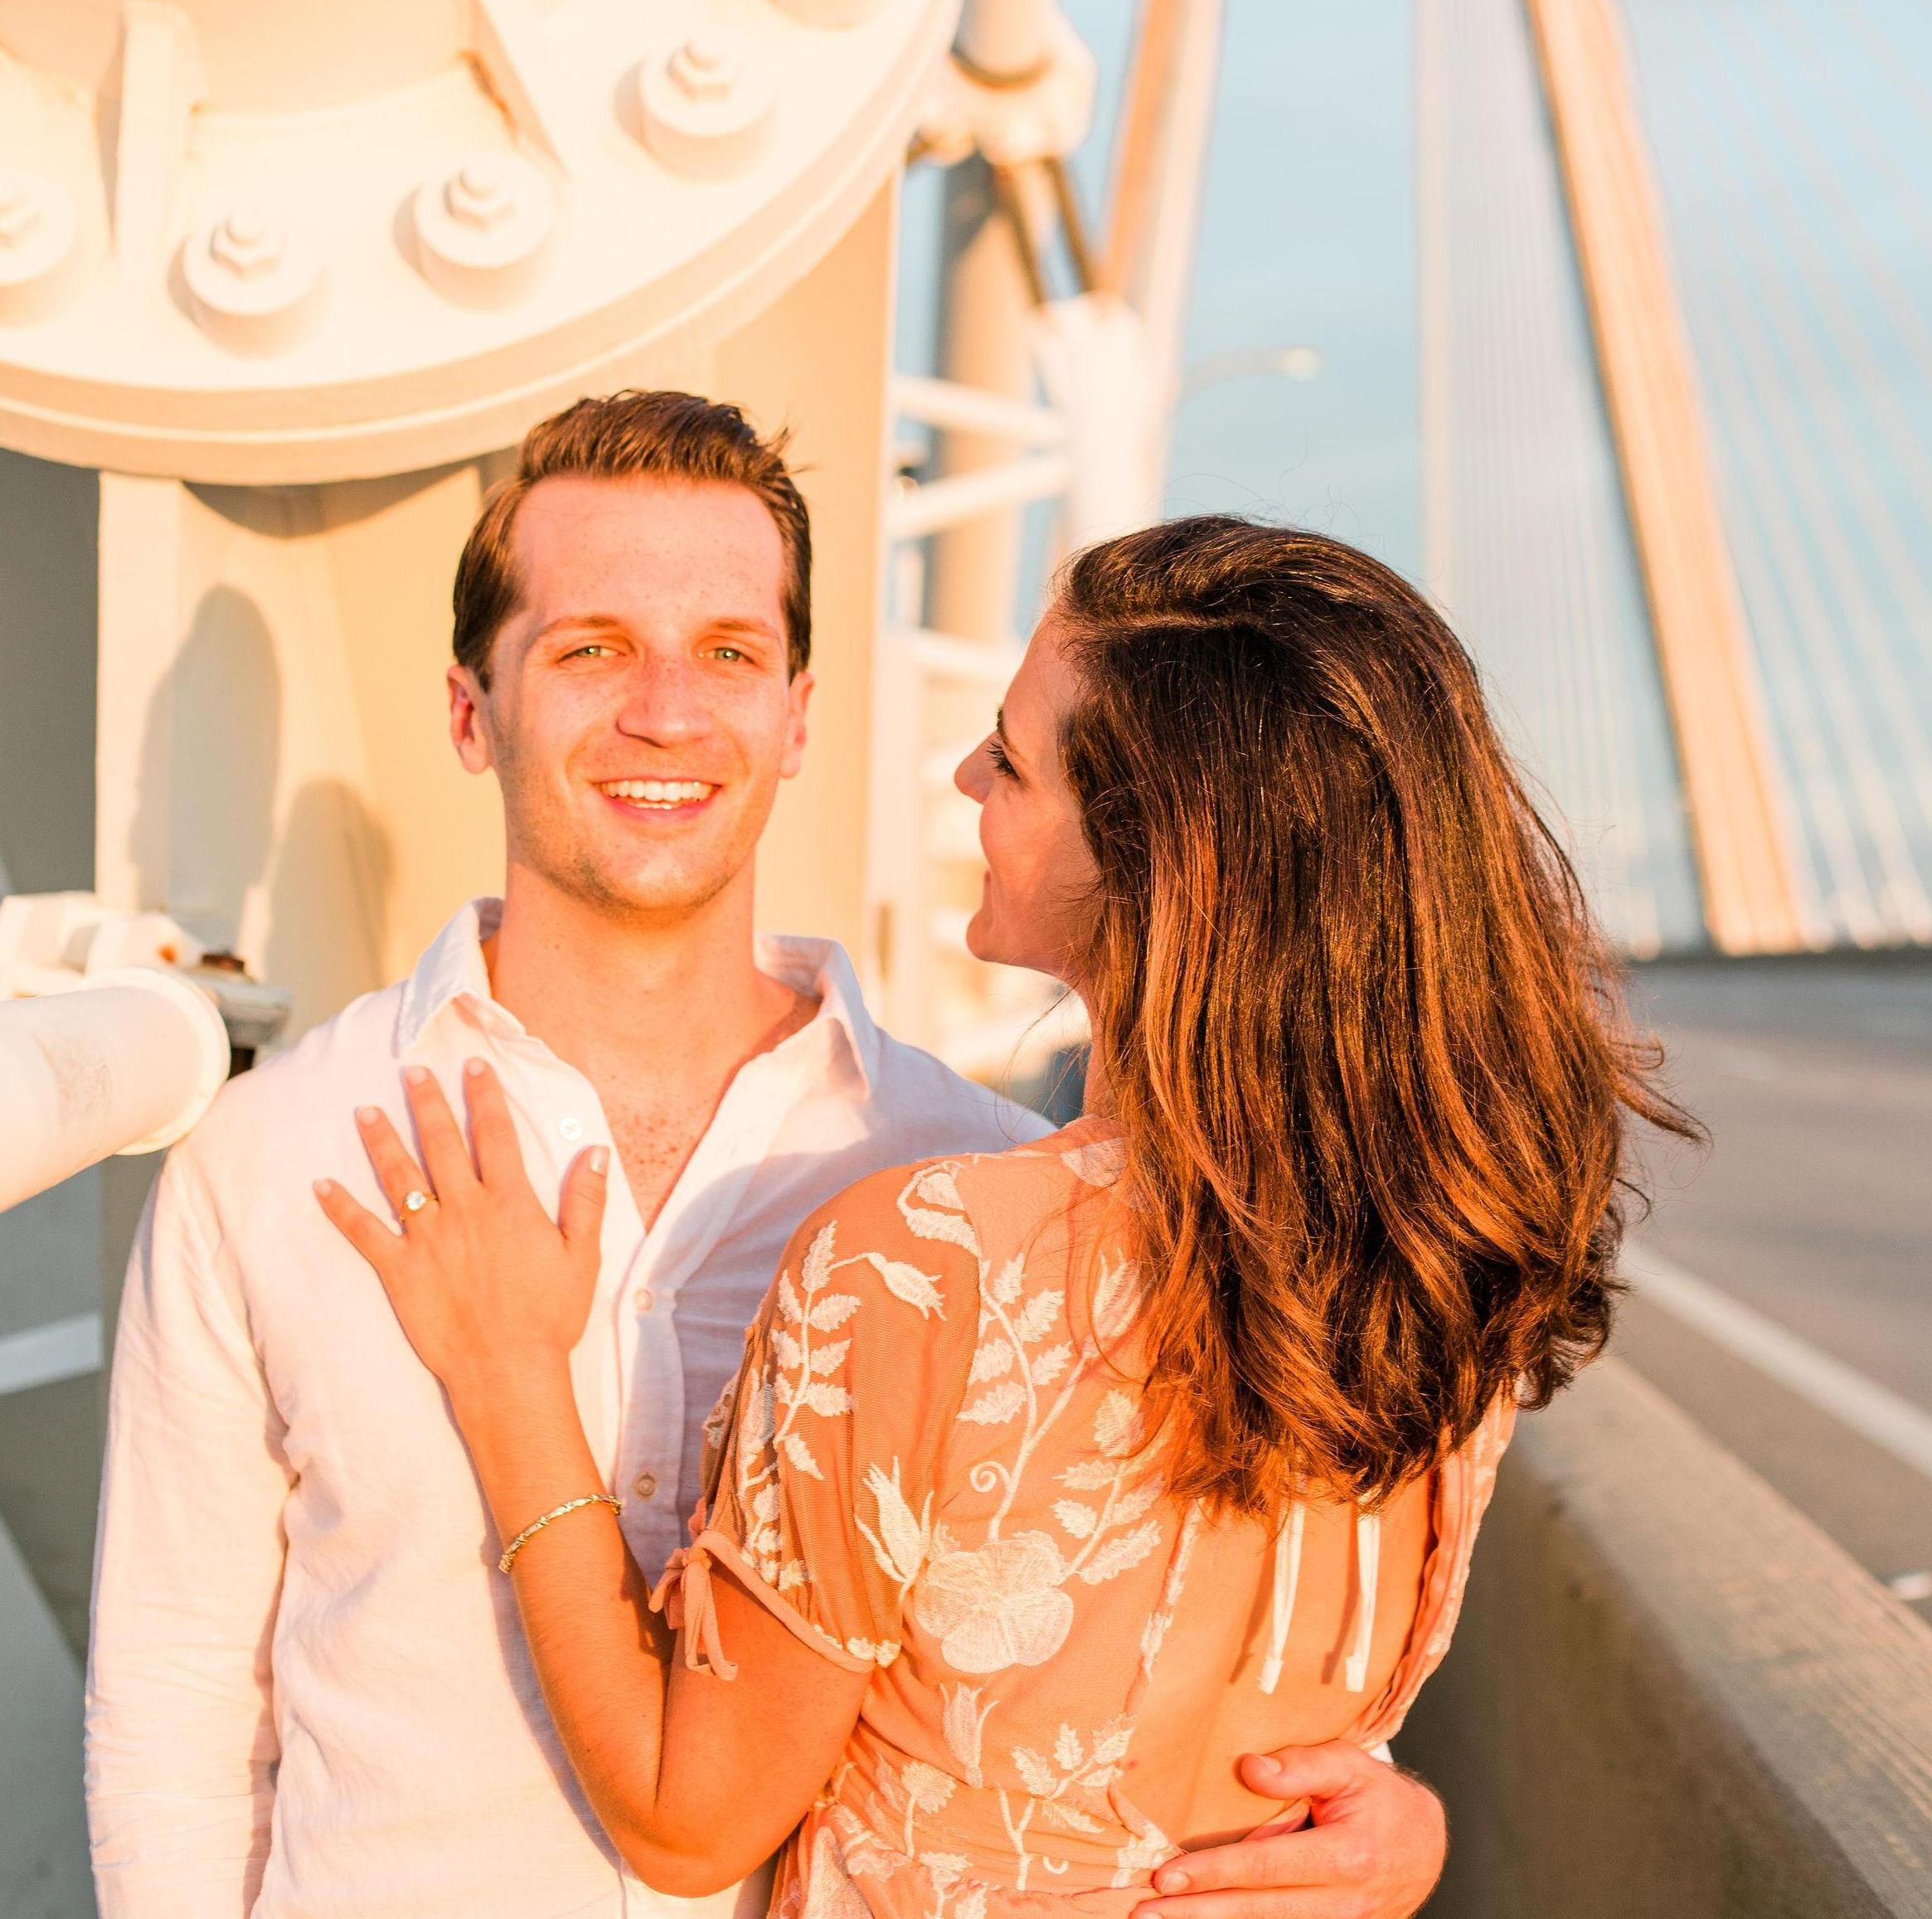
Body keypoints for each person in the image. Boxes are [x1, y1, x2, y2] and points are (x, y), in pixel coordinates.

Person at [85, 397, 1450, 1919]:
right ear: (474, 710)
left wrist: (1377, 1809)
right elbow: (172, 1708)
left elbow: (1174, 1645)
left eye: (729, 652)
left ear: (798, 712)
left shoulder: (977, 1185)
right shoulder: (270, 1160)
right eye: (591, 647)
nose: (666, 711)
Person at [317, 514, 1693, 1917]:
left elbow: (687, 1825)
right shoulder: (1443, 1271)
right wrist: (1402, 1838)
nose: (966, 773)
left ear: (1163, 862)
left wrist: (508, 1384)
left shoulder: (927, 1267)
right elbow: (1304, 1763)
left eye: (1015, 762)